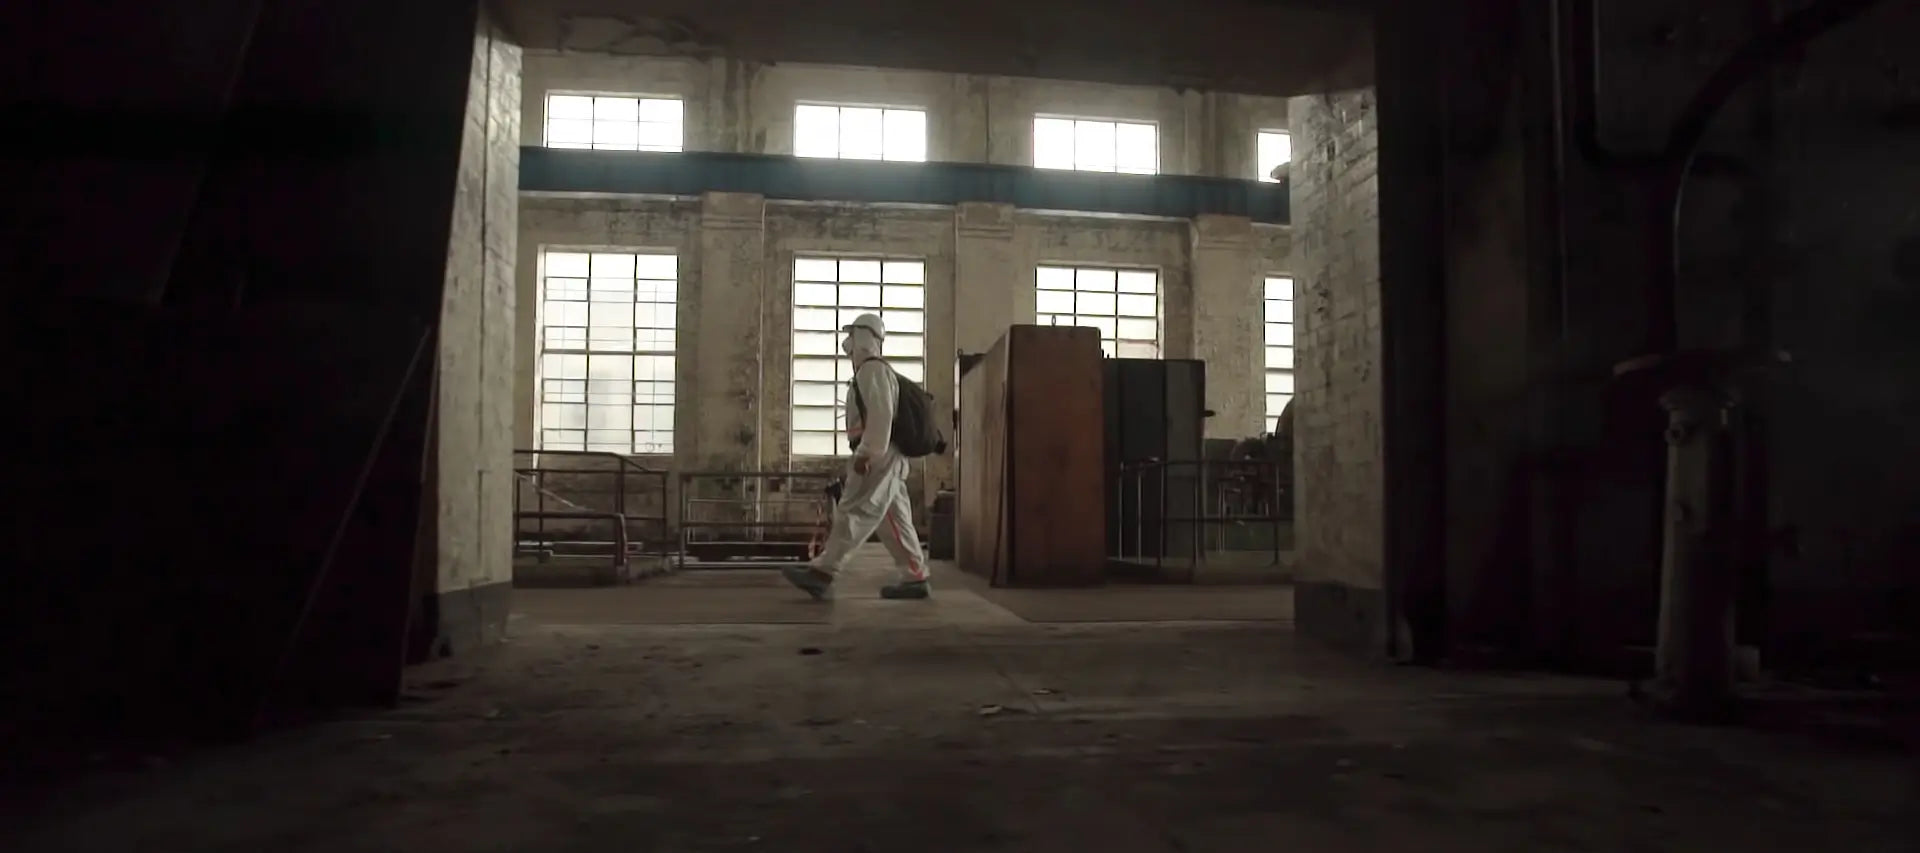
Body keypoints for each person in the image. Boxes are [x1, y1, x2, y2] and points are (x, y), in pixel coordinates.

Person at [782, 313, 931, 601]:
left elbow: (881, 415)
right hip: (888, 455)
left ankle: (822, 573)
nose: (847, 341)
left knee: (854, 510)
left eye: (852, 334)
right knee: (894, 522)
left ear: (865, 337)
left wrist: (867, 454)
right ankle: (915, 576)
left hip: (878, 453)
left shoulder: (872, 371)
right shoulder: (870, 372)